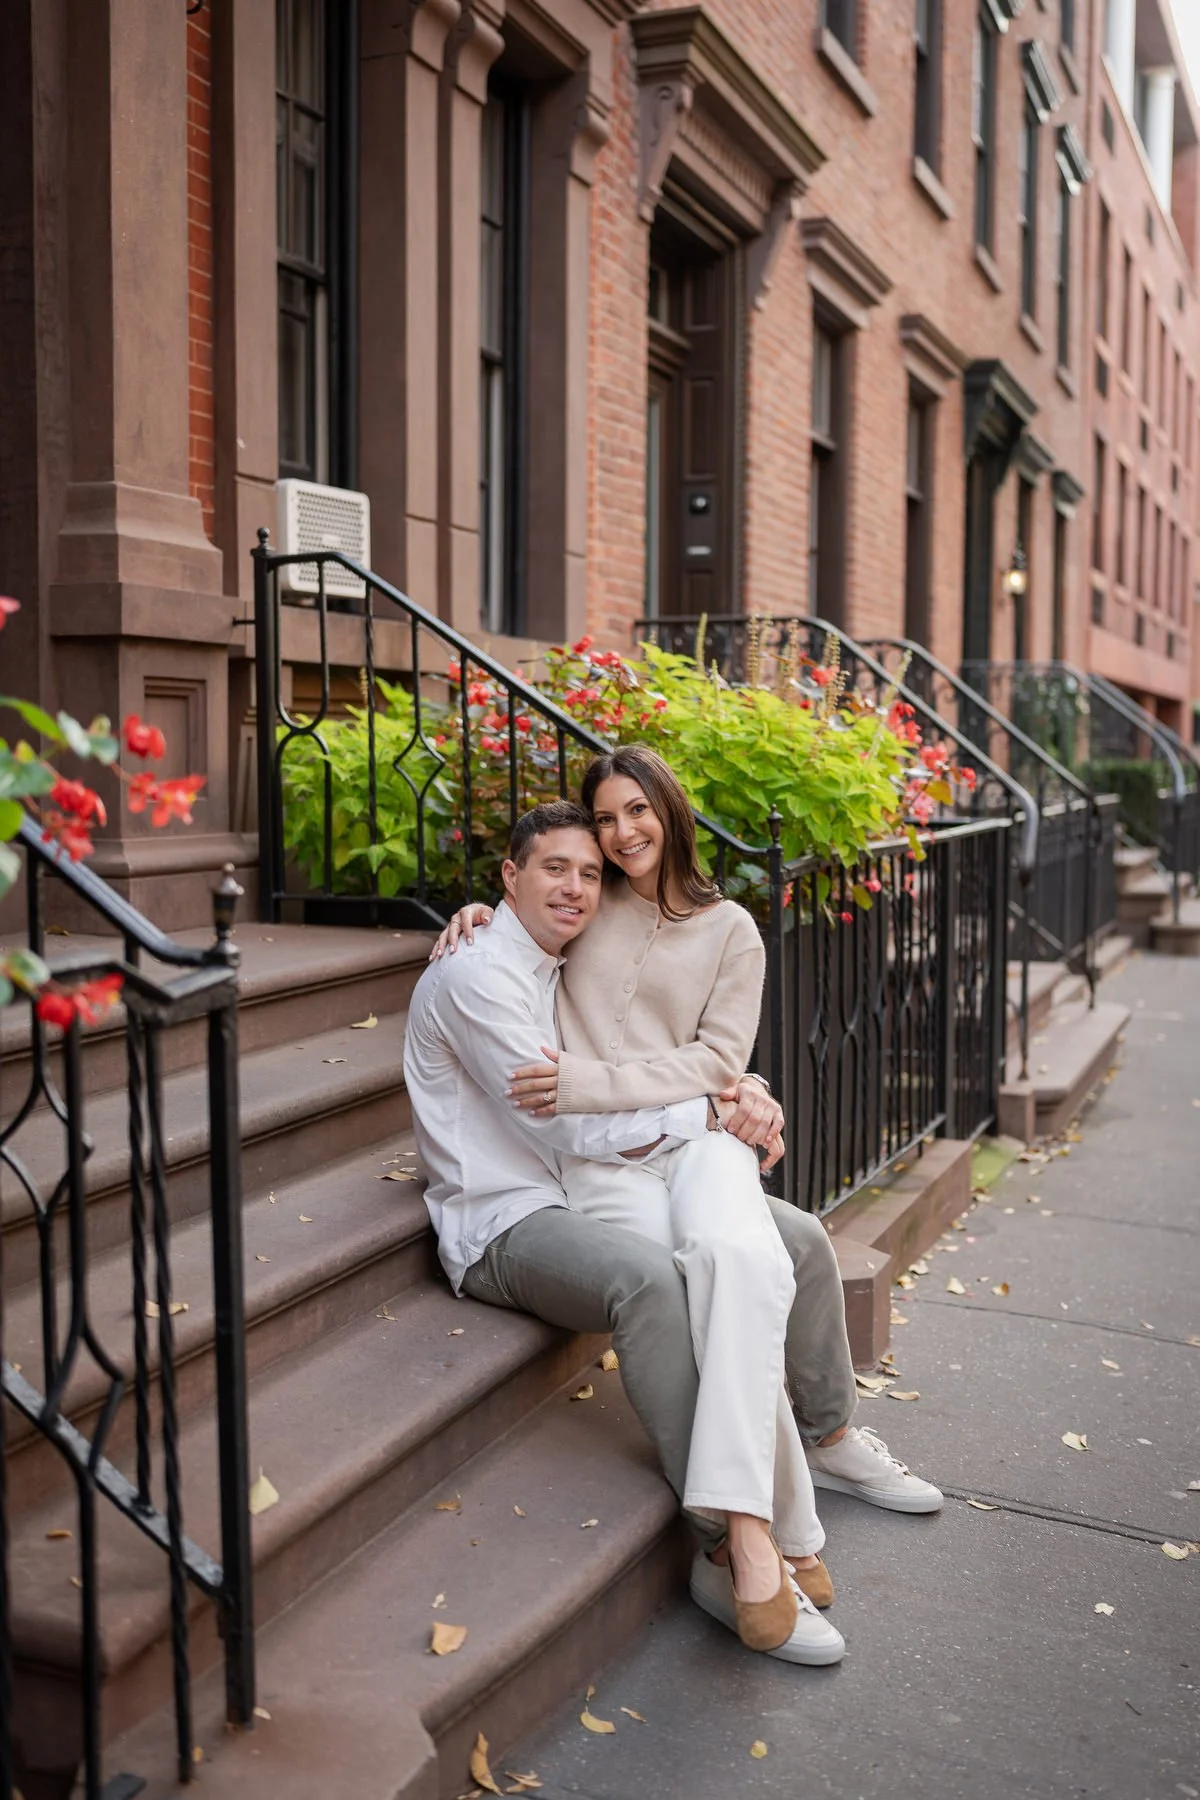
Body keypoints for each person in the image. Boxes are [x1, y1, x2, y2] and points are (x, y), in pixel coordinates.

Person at [432, 747, 943, 1532]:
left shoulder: (731, 928)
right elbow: (529, 920)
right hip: (597, 1157)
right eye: (606, 819)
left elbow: (715, 1058)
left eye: (636, 810)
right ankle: (744, 1526)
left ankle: (833, 1438)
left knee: (801, 1243)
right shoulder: (590, 911)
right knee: (708, 1278)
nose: (621, 833)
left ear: (670, 811)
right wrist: (473, 915)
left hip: (666, 1137)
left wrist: (740, 1090)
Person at [405, 800, 844, 1664]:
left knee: (777, 1239)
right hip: (506, 1218)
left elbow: (646, 1048)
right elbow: (570, 1125)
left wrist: (736, 1087)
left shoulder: (546, 954)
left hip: (591, 1183)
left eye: (588, 872)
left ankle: (822, 1461)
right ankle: (727, 1537)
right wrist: (712, 1110)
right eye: (553, 869)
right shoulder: (479, 978)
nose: (575, 887)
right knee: (653, 1280)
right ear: (509, 878)